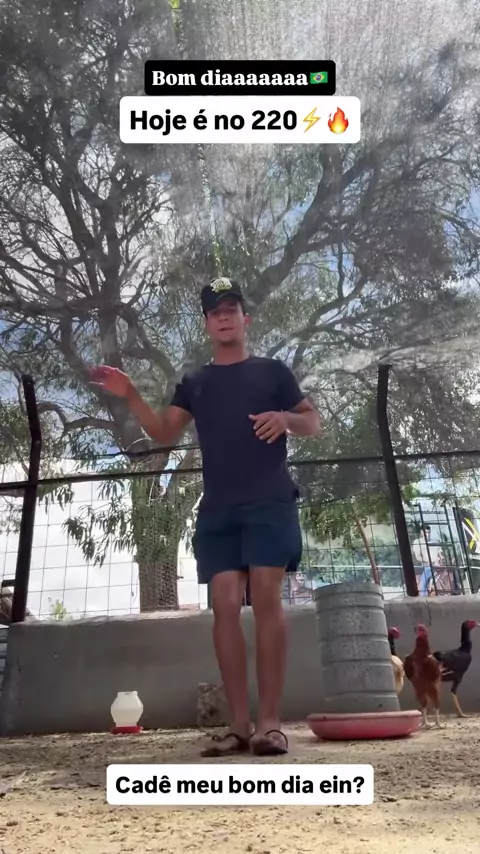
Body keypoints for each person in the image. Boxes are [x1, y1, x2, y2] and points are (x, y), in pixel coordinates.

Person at [90, 277, 321, 757]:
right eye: (216, 311)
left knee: (267, 600)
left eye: (232, 309)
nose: (224, 316)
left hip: (270, 503)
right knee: (224, 607)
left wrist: (285, 419)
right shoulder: (196, 381)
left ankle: (271, 725)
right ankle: (239, 726)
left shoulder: (273, 372)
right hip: (218, 510)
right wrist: (130, 392)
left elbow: (312, 421)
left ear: (245, 319)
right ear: (206, 324)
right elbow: (163, 433)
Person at [411, 524, 445, 596]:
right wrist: (429, 561)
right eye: (426, 532)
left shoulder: (435, 541)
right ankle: (424, 596)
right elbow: (418, 557)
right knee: (423, 582)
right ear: (421, 532)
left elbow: (441, 554)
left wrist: (442, 559)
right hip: (427, 566)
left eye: (429, 532)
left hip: (439, 566)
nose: (428, 534)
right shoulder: (417, 542)